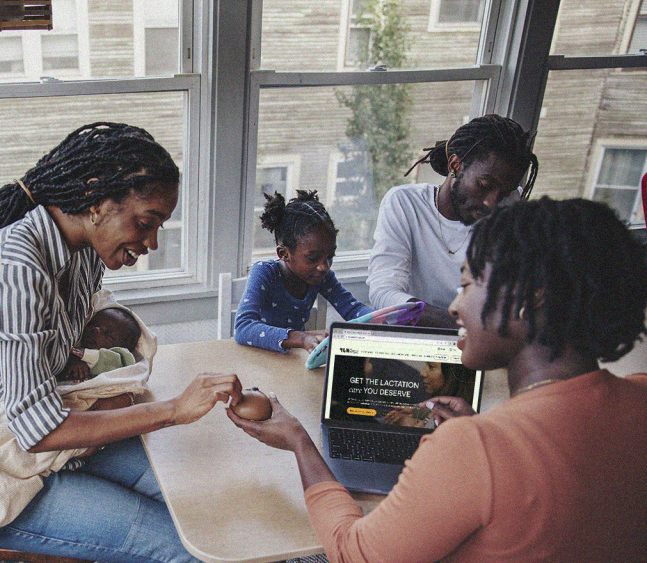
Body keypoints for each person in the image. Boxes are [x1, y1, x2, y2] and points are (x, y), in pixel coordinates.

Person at [230, 197, 647, 561]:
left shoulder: (472, 448)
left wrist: (298, 440)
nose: (454, 306)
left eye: (467, 284)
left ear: (526, 298)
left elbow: (351, 553)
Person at [0, 122, 241, 560]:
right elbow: (38, 432)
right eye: (146, 222)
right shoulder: (16, 268)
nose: (152, 242)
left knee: (201, 497)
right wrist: (171, 410)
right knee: (184, 549)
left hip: (50, 442)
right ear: (96, 200)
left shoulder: (80, 254)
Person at [367, 114, 538, 328]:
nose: (492, 202)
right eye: (484, 184)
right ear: (455, 165)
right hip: (422, 336)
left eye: (505, 192)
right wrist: (461, 325)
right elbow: (383, 293)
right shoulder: (405, 204)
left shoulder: (509, 211)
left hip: (478, 341)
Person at [235, 190, 373, 352]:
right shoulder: (264, 273)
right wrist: (302, 338)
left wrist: (383, 322)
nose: (324, 267)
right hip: (258, 360)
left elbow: (353, 309)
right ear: (284, 254)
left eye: (330, 256)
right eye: (313, 258)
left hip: (293, 361)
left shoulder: (322, 277)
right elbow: (243, 328)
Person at [59, 306, 143, 382]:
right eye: (93, 324)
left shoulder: (117, 360)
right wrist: (72, 358)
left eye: (108, 334)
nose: (95, 329)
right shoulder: (73, 342)